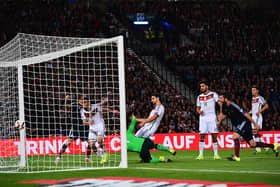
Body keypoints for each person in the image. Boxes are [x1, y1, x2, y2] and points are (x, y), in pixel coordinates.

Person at [217, 92, 278, 161]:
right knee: (252, 144)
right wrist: (220, 110)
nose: (219, 99)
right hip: (240, 125)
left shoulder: (234, 105)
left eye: (221, 98)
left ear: (226, 99)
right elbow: (222, 116)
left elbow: (246, 114)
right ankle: (273, 146)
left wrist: (255, 124)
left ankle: (237, 157)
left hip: (244, 122)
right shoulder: (224, 106)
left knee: (235, 136)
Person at [79, 96, 119, 164]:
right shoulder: (82, 110)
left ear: (88, 102)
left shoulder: (96, 106)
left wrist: (112, 110)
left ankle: (105, 153)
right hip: (92, 127)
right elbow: (83, 121)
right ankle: (102, 156)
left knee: (99, 140)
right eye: (82, 103)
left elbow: (103, 109)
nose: (83, 104)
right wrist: (89, 123)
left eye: (84, 102)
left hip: (100, 125)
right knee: (91, 145)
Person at [196, 80, 221, 160]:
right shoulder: (199, 97)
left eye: (203, 86)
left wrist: (220, 113)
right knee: (202, 135)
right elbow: (197, 108)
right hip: (203, 118)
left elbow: (220, 103)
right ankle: (200, 155)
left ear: (207, 86)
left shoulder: (213, 94)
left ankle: (216, 154)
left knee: (214, 135)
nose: (201, 88)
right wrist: (199, 111)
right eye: (201, 86)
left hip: (212, 117)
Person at [251, 85, 269, 153]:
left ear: (257, 91)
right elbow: (253, 109)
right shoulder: (253, 98)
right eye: (252, 90)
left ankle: (258, 147)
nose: (252, 91)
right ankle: (266, 146)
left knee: (254, 131)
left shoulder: (260, 98)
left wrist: (259, 111)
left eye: (253, 90)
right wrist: (249, 112)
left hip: (258, 117)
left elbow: (266, 106)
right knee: (256, 133)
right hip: (253, 117)